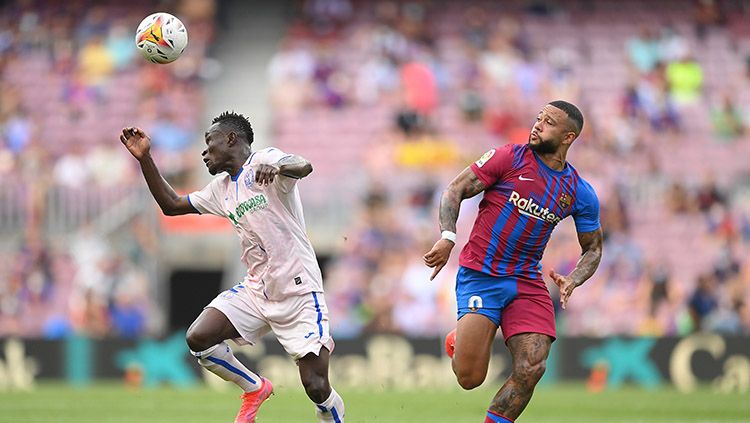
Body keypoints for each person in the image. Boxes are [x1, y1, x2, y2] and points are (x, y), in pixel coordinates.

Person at [119, 111, 345, 423]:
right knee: (199, 337)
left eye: (209, 142)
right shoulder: (221, 189)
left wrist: (278, 166)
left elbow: (304, 166)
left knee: (316, 387)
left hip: (298, 292)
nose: (204, 152)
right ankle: (254, 388)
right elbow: (171, 206)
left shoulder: (265, 160)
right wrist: (145, 159)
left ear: (230, 139)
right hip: (256, 291)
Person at [423, 100, 603, 423]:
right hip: (482, 274)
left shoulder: (578, 191)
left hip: (525, 281)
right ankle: (460, 340)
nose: (537, 125)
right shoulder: (509, 157)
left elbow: (593, 248)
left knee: (532, 366)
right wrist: (448, 237)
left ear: (568, 137)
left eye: (548, 122)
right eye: (538, 118)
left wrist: (575, 277)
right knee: (469, 379)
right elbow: (455, 190)